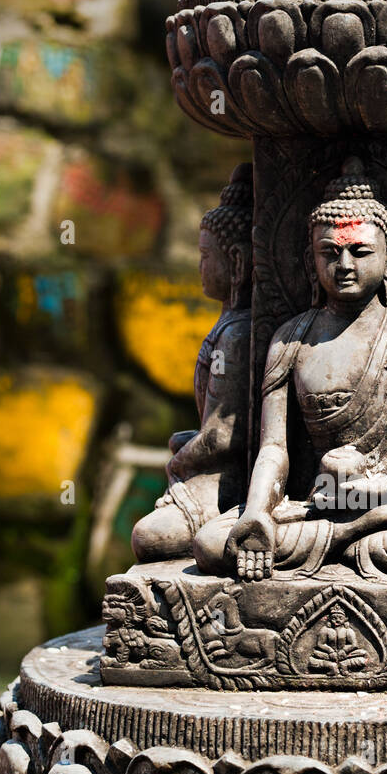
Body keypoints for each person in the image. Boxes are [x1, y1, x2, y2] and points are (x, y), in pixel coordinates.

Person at [193, 159, 387, 582]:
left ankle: (350, 535)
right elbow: (275, 449)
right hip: (317, 504)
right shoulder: (291, 339)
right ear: (308, 260)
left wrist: (380, 485)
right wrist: (259, 513)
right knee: (211, 542)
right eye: (329, 253)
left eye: (359, 251)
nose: (345, 265)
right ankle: (351, 538)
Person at [131, 166, 253, 562]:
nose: (200, 267)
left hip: (224, 482)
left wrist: (180, 459)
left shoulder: (237, 335)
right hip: (207, 470)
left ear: (236, 260)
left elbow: (220, 438)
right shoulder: (228, 327)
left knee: (149, 538)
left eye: (206, 256)